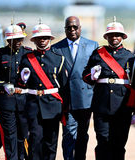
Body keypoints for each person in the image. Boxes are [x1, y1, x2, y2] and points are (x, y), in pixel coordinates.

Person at [82, 17, 135, 160]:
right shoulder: (98, 54)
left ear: (122, 37)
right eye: (111, 35)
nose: (114, 37)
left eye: (117, 35)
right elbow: (85, 76)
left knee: (119, 143)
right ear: (106, 36)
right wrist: (93, 75)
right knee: (102, 141)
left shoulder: (130, 57)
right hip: (101, 105)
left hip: (122, 107)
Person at [18, 23, 68, 160]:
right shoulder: (27, 59)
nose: (42, 40)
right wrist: (22, 79)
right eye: (39, 38)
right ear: (33, 40)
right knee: (35, 140)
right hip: (33, 105)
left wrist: (66, 109)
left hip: (53, 105)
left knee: (50, 142)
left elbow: (64, 87)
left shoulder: (59, 58)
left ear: (50, 39)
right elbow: (20, 85)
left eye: (45, 37)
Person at [52, 16, 98, 160]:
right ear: (65, 29)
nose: (72, 30)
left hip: (85, 99)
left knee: (82, 135)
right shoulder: (56, 48)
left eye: (75, 27)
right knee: (68, 134)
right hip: (67, 100)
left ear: (80, 28)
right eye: (69, 28)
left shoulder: (92, 45)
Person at [0, 24, 32, 160]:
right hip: (6, 102)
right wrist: (3, 85)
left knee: (23, 134)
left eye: (20, 39)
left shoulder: (28, 53)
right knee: (10, 135)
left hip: (24, 102)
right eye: (15, 39)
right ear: (8, 41)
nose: (18, 42)